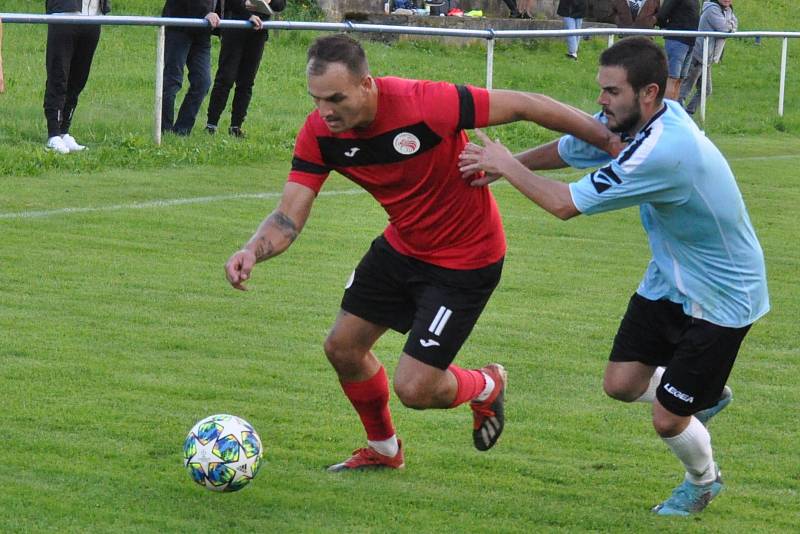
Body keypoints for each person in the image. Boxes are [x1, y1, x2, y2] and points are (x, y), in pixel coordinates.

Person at [225, 34, 621, 472]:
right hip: (403, 246)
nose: (325, 111)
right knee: (342, 349)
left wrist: (608, 140)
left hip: (466, 260)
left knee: (416, 389)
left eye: (336, 98)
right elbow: (287, 218)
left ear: (367, 84)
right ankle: (384, 449)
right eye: (317, 99)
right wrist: (251, 251)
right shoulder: (319, 134)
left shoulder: (425, 104)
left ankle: (487, 384)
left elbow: (528, 103)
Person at [459, 36, 768, 516]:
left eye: (611, 91)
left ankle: (702, 482)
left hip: (724, 294)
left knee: (668, 419)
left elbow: (565, 205)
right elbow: (575, 146)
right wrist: (511, 165)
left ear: (648, 92)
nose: (601, 101)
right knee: (621, 383)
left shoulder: (666, 150)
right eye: (601, 89)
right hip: (670, 278)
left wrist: (505, 166)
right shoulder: (643, 121)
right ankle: (703, 391)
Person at [160, 0, 261, 135]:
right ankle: (164, 130)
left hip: (202, 31)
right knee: (172, 81)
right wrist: (205, 13)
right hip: (179, 26)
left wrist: (246, 15)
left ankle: (182, 130)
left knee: (203, 82)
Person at [205, 0, 285, 138]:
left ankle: (236, 126)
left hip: (258, 33)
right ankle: (211, 124)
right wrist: (248, 14)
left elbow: (280, 5)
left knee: (247, 82)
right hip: (235, 29)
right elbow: (231, 4)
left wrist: (269, 1)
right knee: (225, 78)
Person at [43, 0, 111, 154]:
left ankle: (64, 131)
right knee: (59, 74)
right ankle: (53, 133)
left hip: (93, 15)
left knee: (79, 79)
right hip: (64, 13)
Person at [678, 0, 737, 115]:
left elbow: (734, 24)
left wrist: (730, 25)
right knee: (685, 89)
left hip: (707, 57)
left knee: (706, 90)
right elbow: (724, 28)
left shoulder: (727, 10)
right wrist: (730, 25)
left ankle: (688, 114)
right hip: (699, 54)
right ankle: (678, 116)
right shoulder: (712, 9)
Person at [656, 0, 699, 101]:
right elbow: (662, 15)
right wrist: (667, 29)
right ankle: (667, 109)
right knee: (672, 78)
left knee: (680, 79)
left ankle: (675, 109)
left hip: (690, 42)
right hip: (676, 41)